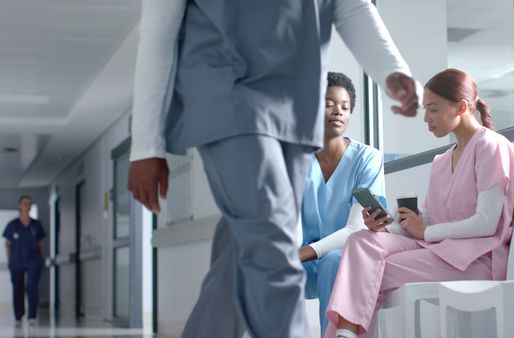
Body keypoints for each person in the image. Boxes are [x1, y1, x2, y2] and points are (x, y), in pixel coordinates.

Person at [127, 0, 420, 337]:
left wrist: (392, 70)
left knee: (241, 253)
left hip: (295, 108)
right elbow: (158, 29)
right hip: (227, 92)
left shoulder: (363, 157)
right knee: (273, 248)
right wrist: (146, 146)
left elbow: (352, 8)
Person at [324, 68, 514, 338]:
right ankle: (347, 334)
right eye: (425, 110)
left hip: (474, 258)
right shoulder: (441, 160)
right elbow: (429, 216)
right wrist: (388, 226)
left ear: (461, 107)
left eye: (433, 109)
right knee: (361, 240)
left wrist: (425, 232)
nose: (426, 118)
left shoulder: (491, 146)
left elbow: (487, 223)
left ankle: (345, 334)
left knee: (370, 271)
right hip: (438, 247)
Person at [299, 71, 386, 337]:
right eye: (328, 104)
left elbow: (357, 227)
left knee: (334, 262)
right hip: (300, 254)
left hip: (345, 252)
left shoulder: (367, 160)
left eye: (345, 107)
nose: (338, 112)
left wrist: (302, 253)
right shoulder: (295, 159)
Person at [3, 195, 46, 327]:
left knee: (32, 287)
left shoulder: (36, 225)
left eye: (29, 204)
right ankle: (18, 316)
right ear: (19, 205)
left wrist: (40, 260)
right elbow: (8, 245)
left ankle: (32, 316)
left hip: (33, 261)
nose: (27, 206)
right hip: (17, 261)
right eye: (25, 203)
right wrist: (10, 261)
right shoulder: (13, 225)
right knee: (18, 289)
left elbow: (41, 244)